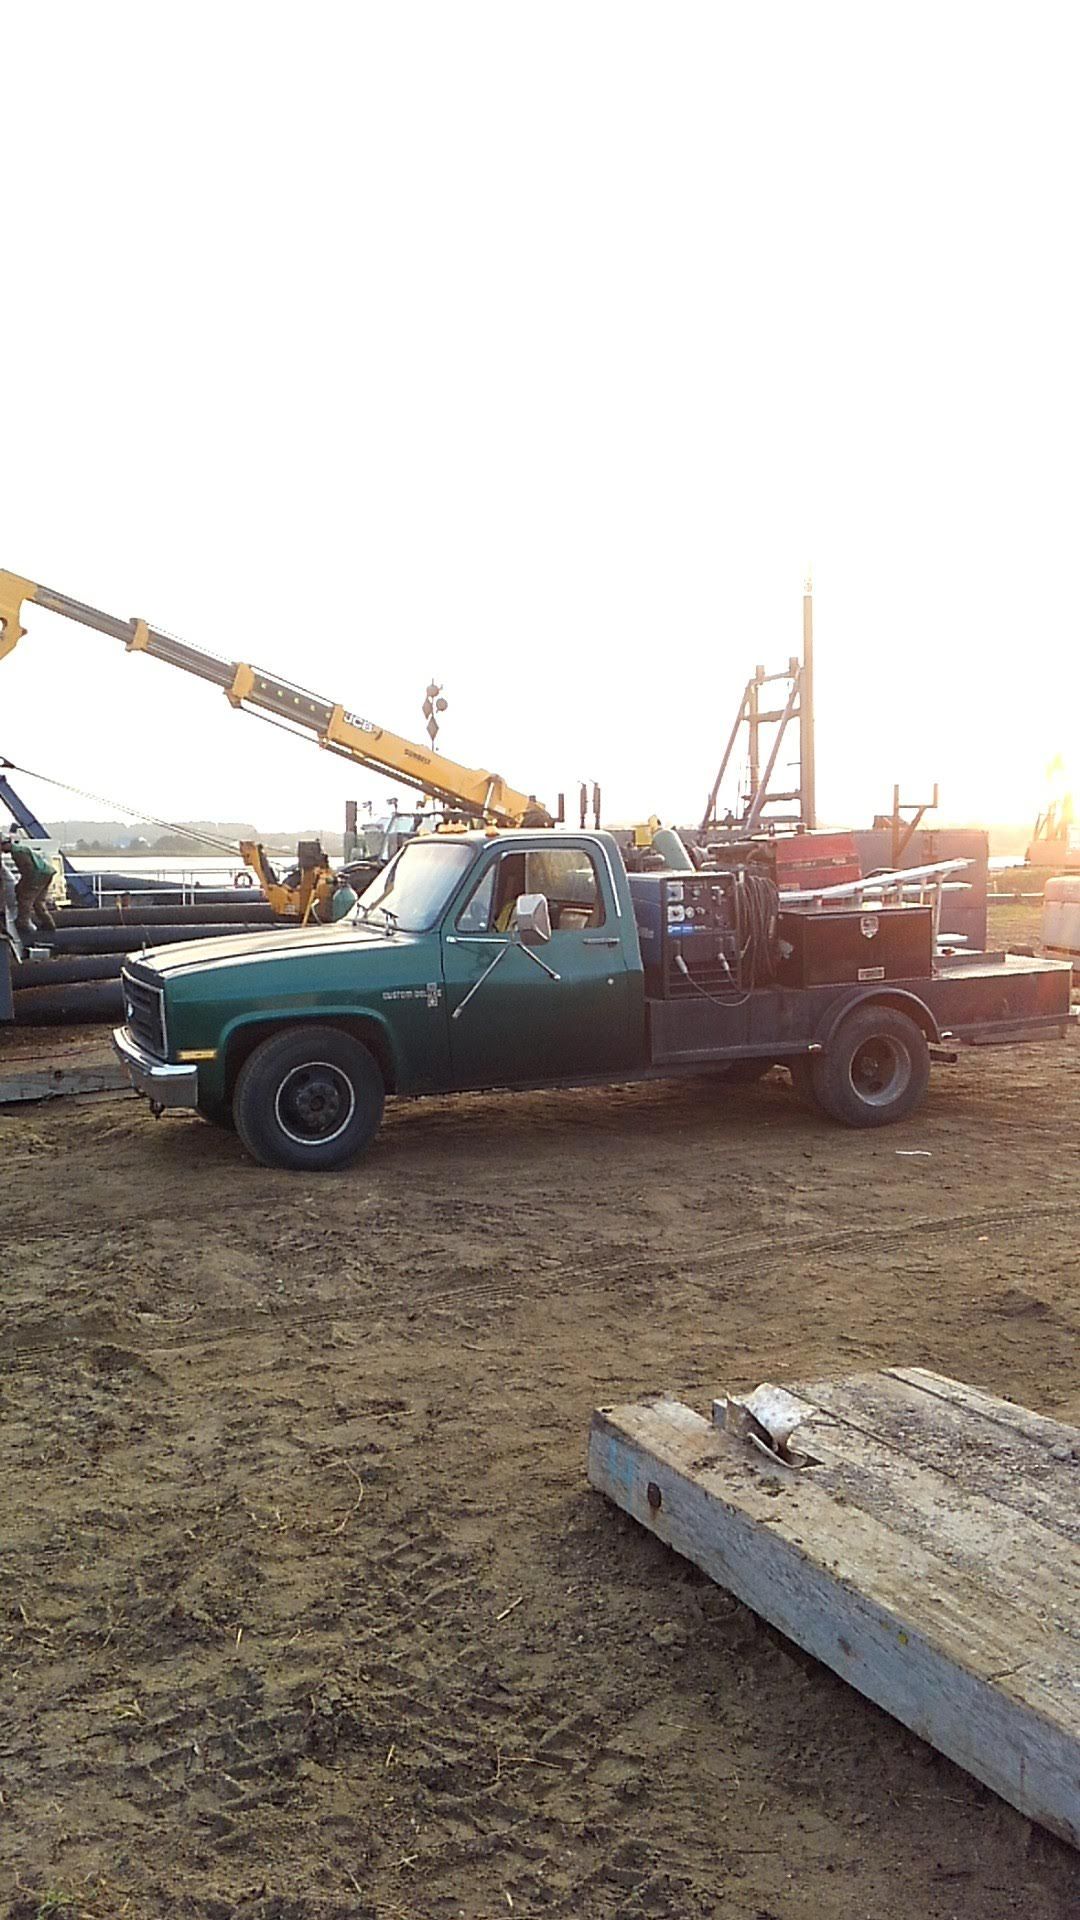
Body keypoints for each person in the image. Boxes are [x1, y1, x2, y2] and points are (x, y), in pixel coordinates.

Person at [0, 833, 58, 936]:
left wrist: (21, 886)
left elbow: (28, 871)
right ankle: (49, 925)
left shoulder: (18, 853)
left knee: (24, 900)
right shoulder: (21, 849)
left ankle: (23, 925)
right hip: (46, 874)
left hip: (37, 876)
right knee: (38, 902)